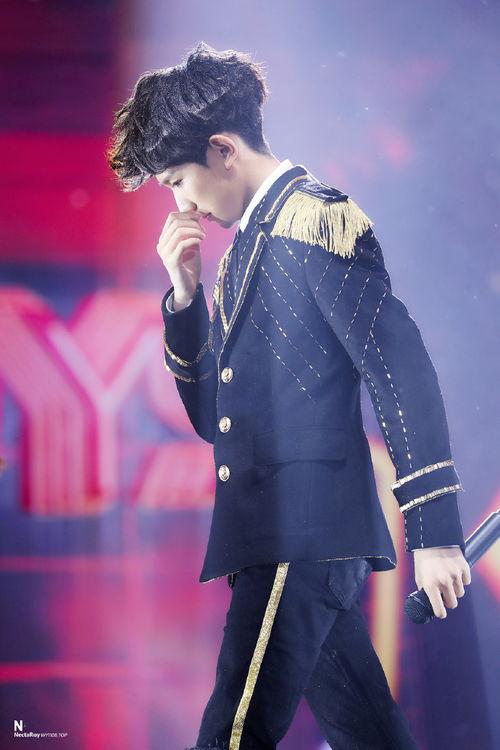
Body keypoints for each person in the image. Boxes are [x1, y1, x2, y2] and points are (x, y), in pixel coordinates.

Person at [107, 41, 471, 750]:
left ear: (222, 150)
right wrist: (184, 298)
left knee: (231, 736)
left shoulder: (314, 222)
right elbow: (216, 421)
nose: (180, 205)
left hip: (297, 538)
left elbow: (399, 366)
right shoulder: (246, 250)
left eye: (178, 181)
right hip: (287, 541)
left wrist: (434, 532)